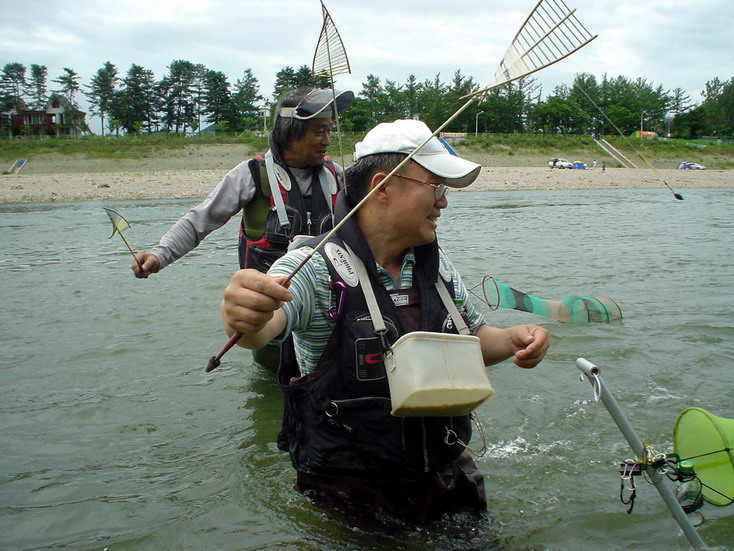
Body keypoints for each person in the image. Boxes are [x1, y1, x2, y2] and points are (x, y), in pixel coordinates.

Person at [220, 119, 550, 523]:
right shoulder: (313, 269)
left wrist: (515, 339)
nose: (443, 202)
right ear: (383, 187)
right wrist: (248, 314)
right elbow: (265, 327)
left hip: (442, 472)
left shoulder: (434, 264)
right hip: (350, 491)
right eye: (436, 187)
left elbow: (474, 339)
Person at [131, 86, 354, 278]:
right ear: (291, 134)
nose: (327, 140)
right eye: (318, 132)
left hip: (327, 304)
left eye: (328, 130)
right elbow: (199, 220)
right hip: (269, 308)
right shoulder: (251, 175)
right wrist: (158, 256)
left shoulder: (338, 176)